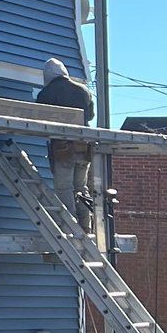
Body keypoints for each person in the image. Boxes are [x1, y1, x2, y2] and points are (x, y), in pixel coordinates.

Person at [37, 56, 96, 216]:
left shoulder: (46, 93)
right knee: (81, 187)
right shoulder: (84, 90)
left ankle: (70, 225)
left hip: (63, 148)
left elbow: (38, 119)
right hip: (84, 146)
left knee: (64, 188)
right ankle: (85, 224)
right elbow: (90, 116)